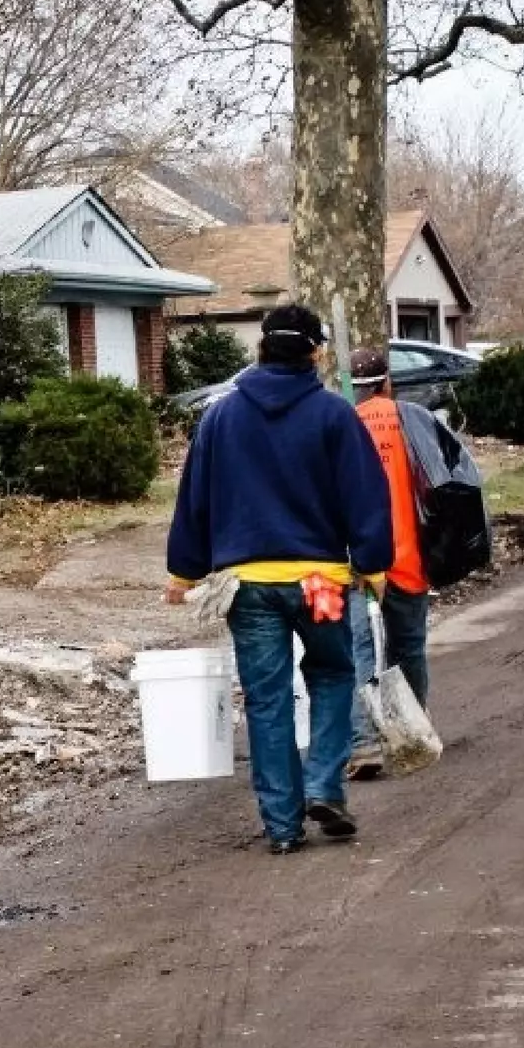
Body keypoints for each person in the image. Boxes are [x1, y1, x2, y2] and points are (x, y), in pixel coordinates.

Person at [165, 304, 393, 854]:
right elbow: (365, 495)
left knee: (267, 701)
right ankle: (323, 786)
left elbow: (194, 500)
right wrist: (372, 566)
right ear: (316, 352)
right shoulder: (335, 415)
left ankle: (283, 827)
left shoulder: (220, 418)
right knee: (332, 676)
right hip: (321, 584)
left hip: (248, 587)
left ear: (261, 348)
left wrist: (183, 572)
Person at [345, 347, 436, 779]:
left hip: (355, 561)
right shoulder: (412, 420)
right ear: (386, 382)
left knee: (357, 650)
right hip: (407, 558)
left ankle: (363, 744)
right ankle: (411, 731)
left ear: (352, 386)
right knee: (408, 647)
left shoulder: (342, 423)